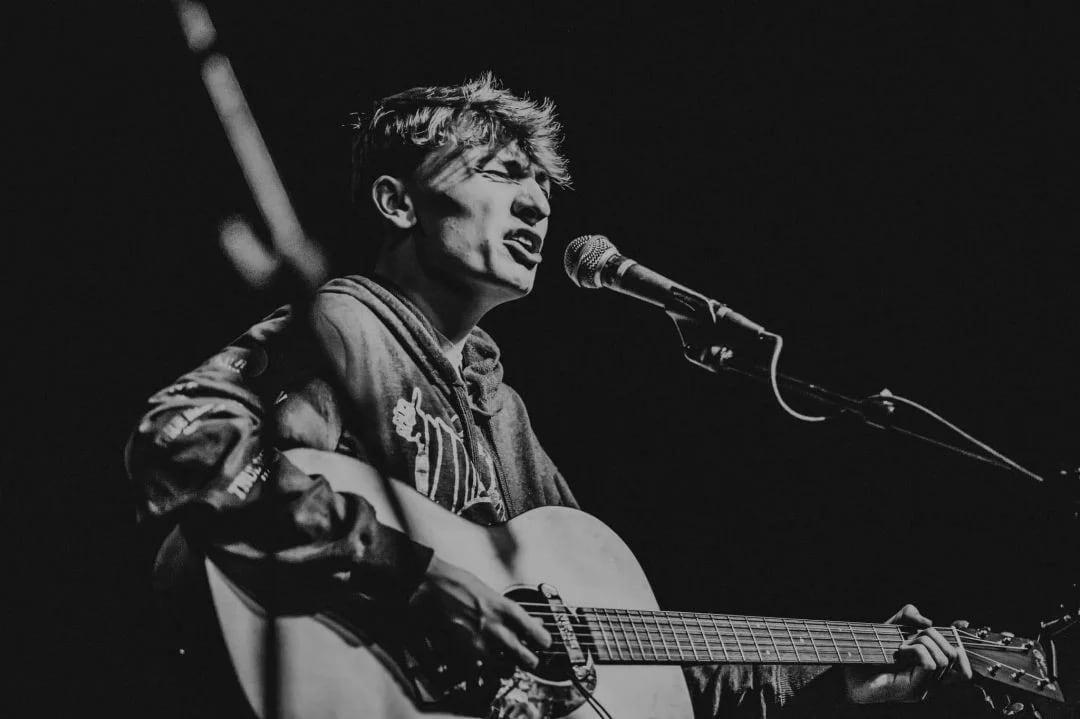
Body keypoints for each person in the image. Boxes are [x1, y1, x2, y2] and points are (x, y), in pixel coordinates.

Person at [125, 73, 971, 718]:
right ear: (397, 201)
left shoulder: (503, 415)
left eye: (541, 184)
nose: (537, 202)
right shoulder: (349, 327)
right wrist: (413, 578)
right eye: (502, 173)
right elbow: (182, 439)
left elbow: (631, 652)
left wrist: (836, 672)